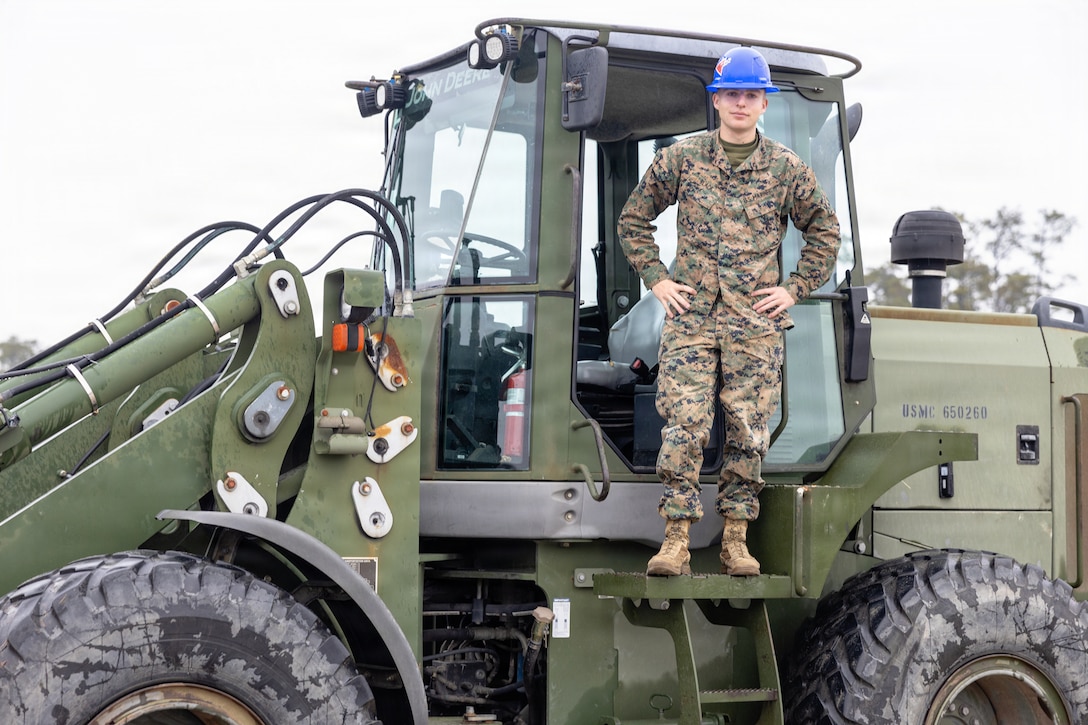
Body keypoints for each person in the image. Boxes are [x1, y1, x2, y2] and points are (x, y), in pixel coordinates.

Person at [617, 46, 841, 577]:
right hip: (692, 321)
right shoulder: (683, 159)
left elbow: (825, 233)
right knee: (683, 426)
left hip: (754, 323)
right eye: (732, 94)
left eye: (750, 95)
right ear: (718, 102)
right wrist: (659, 281)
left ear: (764, 103)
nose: (741, 103)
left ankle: (735, 541)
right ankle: (675, 540)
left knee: (747, 429)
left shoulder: (787, 169)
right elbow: (634, 219)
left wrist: (794, 289)